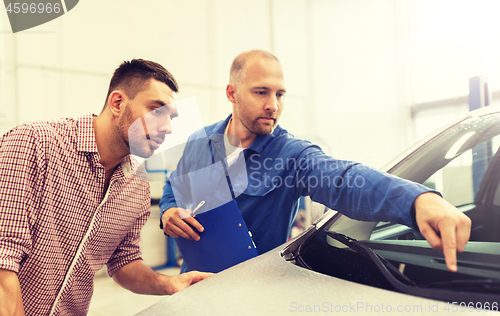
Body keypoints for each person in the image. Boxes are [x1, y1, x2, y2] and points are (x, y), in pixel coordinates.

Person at [160, 50, 471, 274]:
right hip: (192, 281)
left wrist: (417, 200)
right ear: (232, 92)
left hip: (248, 289)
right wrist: (168, 212)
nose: (273, 105)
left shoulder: (291, 155)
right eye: (261, 92)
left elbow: (343, 179)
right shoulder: (200, 141)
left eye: (280, 94)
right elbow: (175, 184)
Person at [0, 59, 212, 316]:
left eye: (171, 117)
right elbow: (3, 259)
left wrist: (169, 283)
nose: (167, 128)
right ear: (117, 103)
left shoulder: (137, 185)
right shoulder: (34, 144)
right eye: (156, 110)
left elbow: (124, 261)